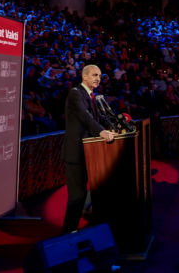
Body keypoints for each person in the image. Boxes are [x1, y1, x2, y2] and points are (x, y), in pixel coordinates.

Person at [61, 65, 115, 234]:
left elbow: (97, 118)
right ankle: (68, 234)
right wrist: (101, 131)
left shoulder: (93, 96)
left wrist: (112, 129)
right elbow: (85, 117)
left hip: (89, 152)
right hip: (75, 152)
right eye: (94, 75)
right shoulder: (75, 93)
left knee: (84, 196)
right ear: (84, 77)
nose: (98, 78)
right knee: (77, 197)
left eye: (99, 75)